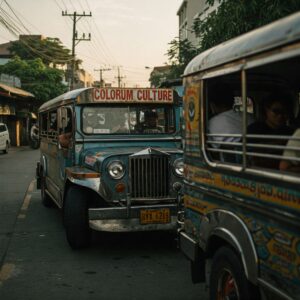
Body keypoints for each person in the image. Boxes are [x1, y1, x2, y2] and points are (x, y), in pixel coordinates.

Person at [247, 91, 294, 169]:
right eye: (276, 111)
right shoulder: (254, 130)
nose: (280, 116)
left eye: (284, 112)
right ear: (266, 109)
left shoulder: (291, 132)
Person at [208, 85, 253, 162]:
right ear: (233, 102)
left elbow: (214, 150)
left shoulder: (212, 122)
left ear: (213, 105)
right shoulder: (248, 116)